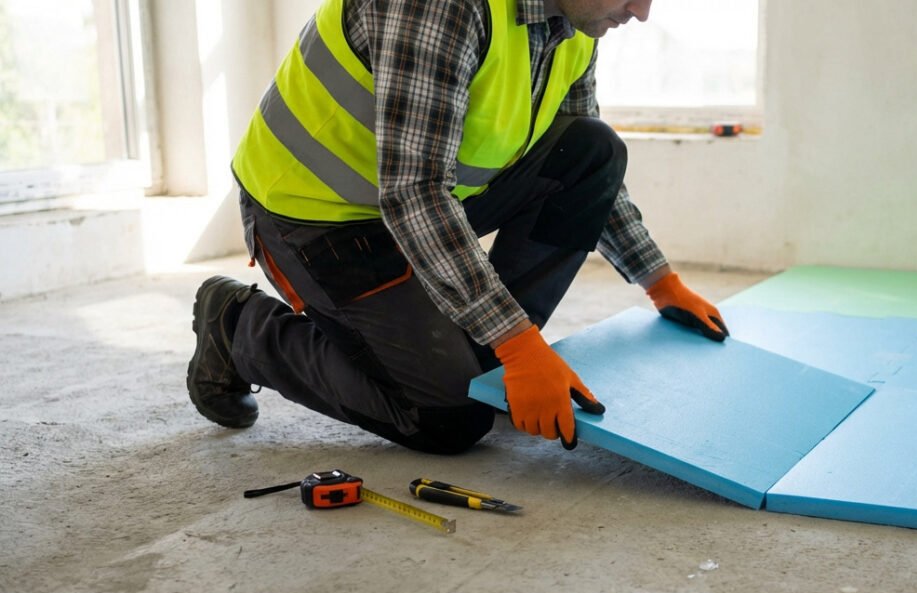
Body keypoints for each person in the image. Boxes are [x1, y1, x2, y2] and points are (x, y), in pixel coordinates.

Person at [186, 0, 729, 455]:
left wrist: (659, 281)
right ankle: (237, 327)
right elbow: (413, 191)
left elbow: (578, 156)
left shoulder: (575, 20)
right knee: (446, 416)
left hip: (420, 204)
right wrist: (520, 345)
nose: (641, 11)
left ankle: (483, 347)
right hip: (317, 217)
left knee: (591, 146)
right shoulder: (443, 5)